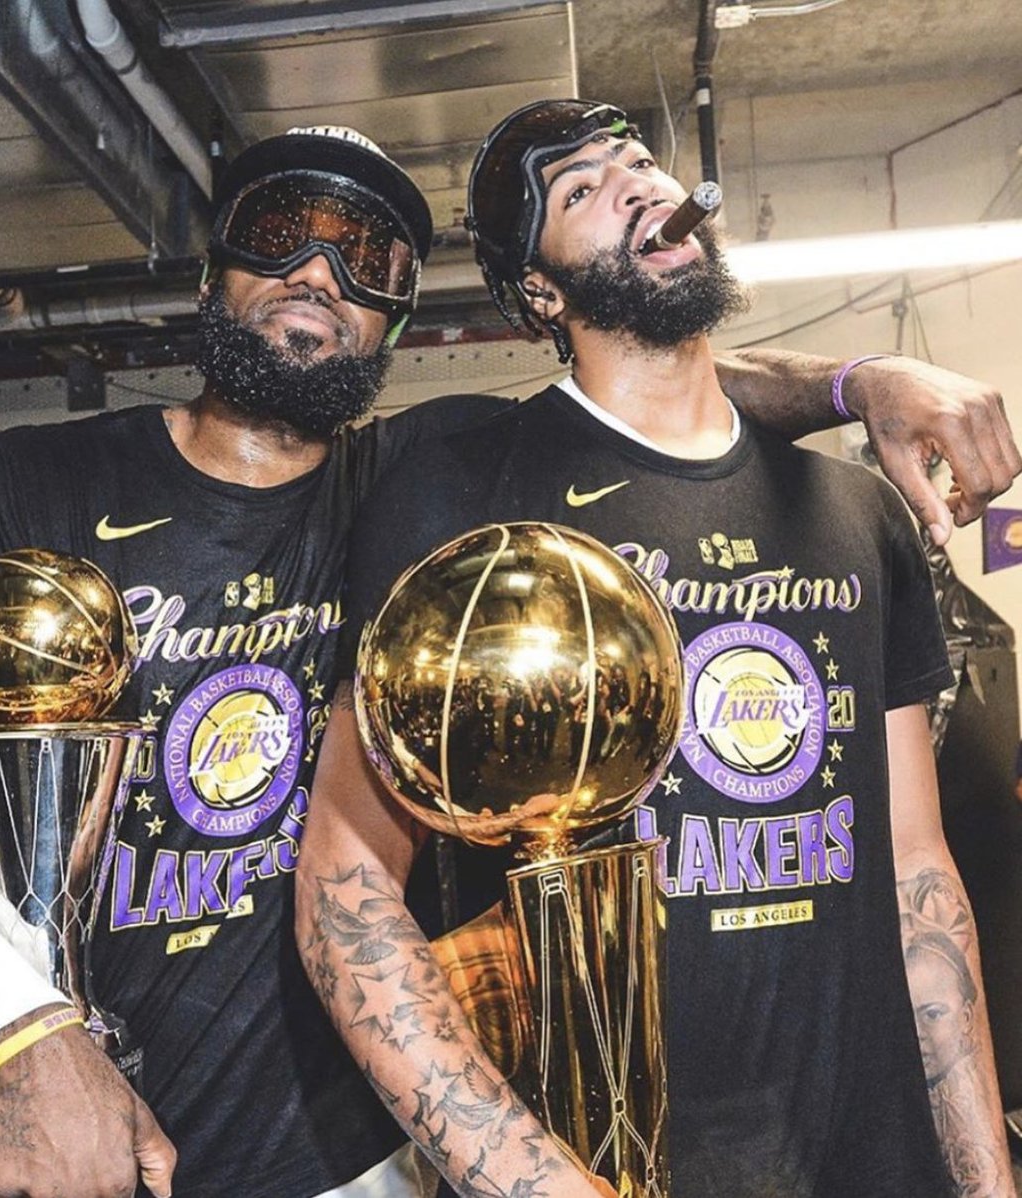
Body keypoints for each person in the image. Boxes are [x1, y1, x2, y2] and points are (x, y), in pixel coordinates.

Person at [0, 120, 1014, 1198]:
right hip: (79, 1138)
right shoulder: (27, 487)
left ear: (396, 319)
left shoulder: (418, 479)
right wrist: (21, 1027)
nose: (318, 274)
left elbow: (651, 382)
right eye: (279, 233)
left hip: (356, 1161)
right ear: (208, 272)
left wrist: (865, 382)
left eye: (369, 261)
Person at [295, 100, 1016, 1198]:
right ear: (539, 292)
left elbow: (918, 871)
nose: (636, 182)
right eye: (581, 190)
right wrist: (533, 1184)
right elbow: (345, 882)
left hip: (873, 1161)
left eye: (639, 160)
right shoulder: (461, 495)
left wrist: (986, 1174)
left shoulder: (856, 511)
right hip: (609, 1158)